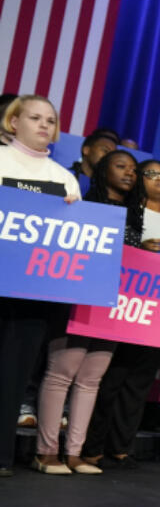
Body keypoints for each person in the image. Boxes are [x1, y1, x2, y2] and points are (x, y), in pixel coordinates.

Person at [32, 151, 140, 475]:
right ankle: (46, 452)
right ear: (103, 169)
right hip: (76, 298)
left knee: (91, 379)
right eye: (121, 166)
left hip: (112, 305)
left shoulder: (135, 215)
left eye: (134, 170)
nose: (130, 174)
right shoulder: (81, 204)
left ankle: (75, 453)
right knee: (62, 372)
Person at [81, 159, 160, 469]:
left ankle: (120, 447)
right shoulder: (130, 215)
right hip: (123, 310)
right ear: (138, 179)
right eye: (152, 174)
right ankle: (92, 446)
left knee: (139, 384)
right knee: (111, 380)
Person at [0, 95, 78, 477]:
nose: (44, 125)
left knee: (14, 376)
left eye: (50, 119)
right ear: (13, 122)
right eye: (35, 117)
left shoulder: (64, 178)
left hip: (32, 296)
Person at [70, 128, 119, 194]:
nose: (109, 157)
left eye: (112, 154)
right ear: (86, 150)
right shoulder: (65, 176)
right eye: (105, 150)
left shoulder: (111, 189)